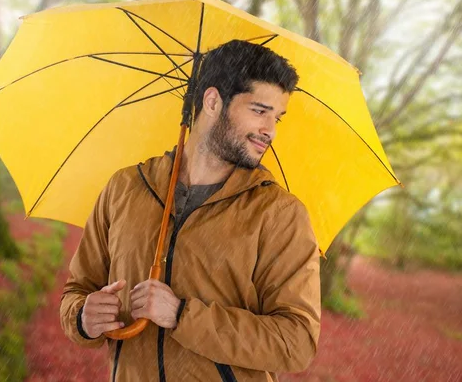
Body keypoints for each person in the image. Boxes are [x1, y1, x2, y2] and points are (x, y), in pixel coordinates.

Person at [60, 40, 322, 382]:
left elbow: (296, 341)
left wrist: (182, 315)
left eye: (277, 118)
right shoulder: (124, 188)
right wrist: (82, 317)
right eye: (259, 111)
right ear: (212, 101)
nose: (269, 131)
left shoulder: (279, 214)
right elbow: (77, 290)